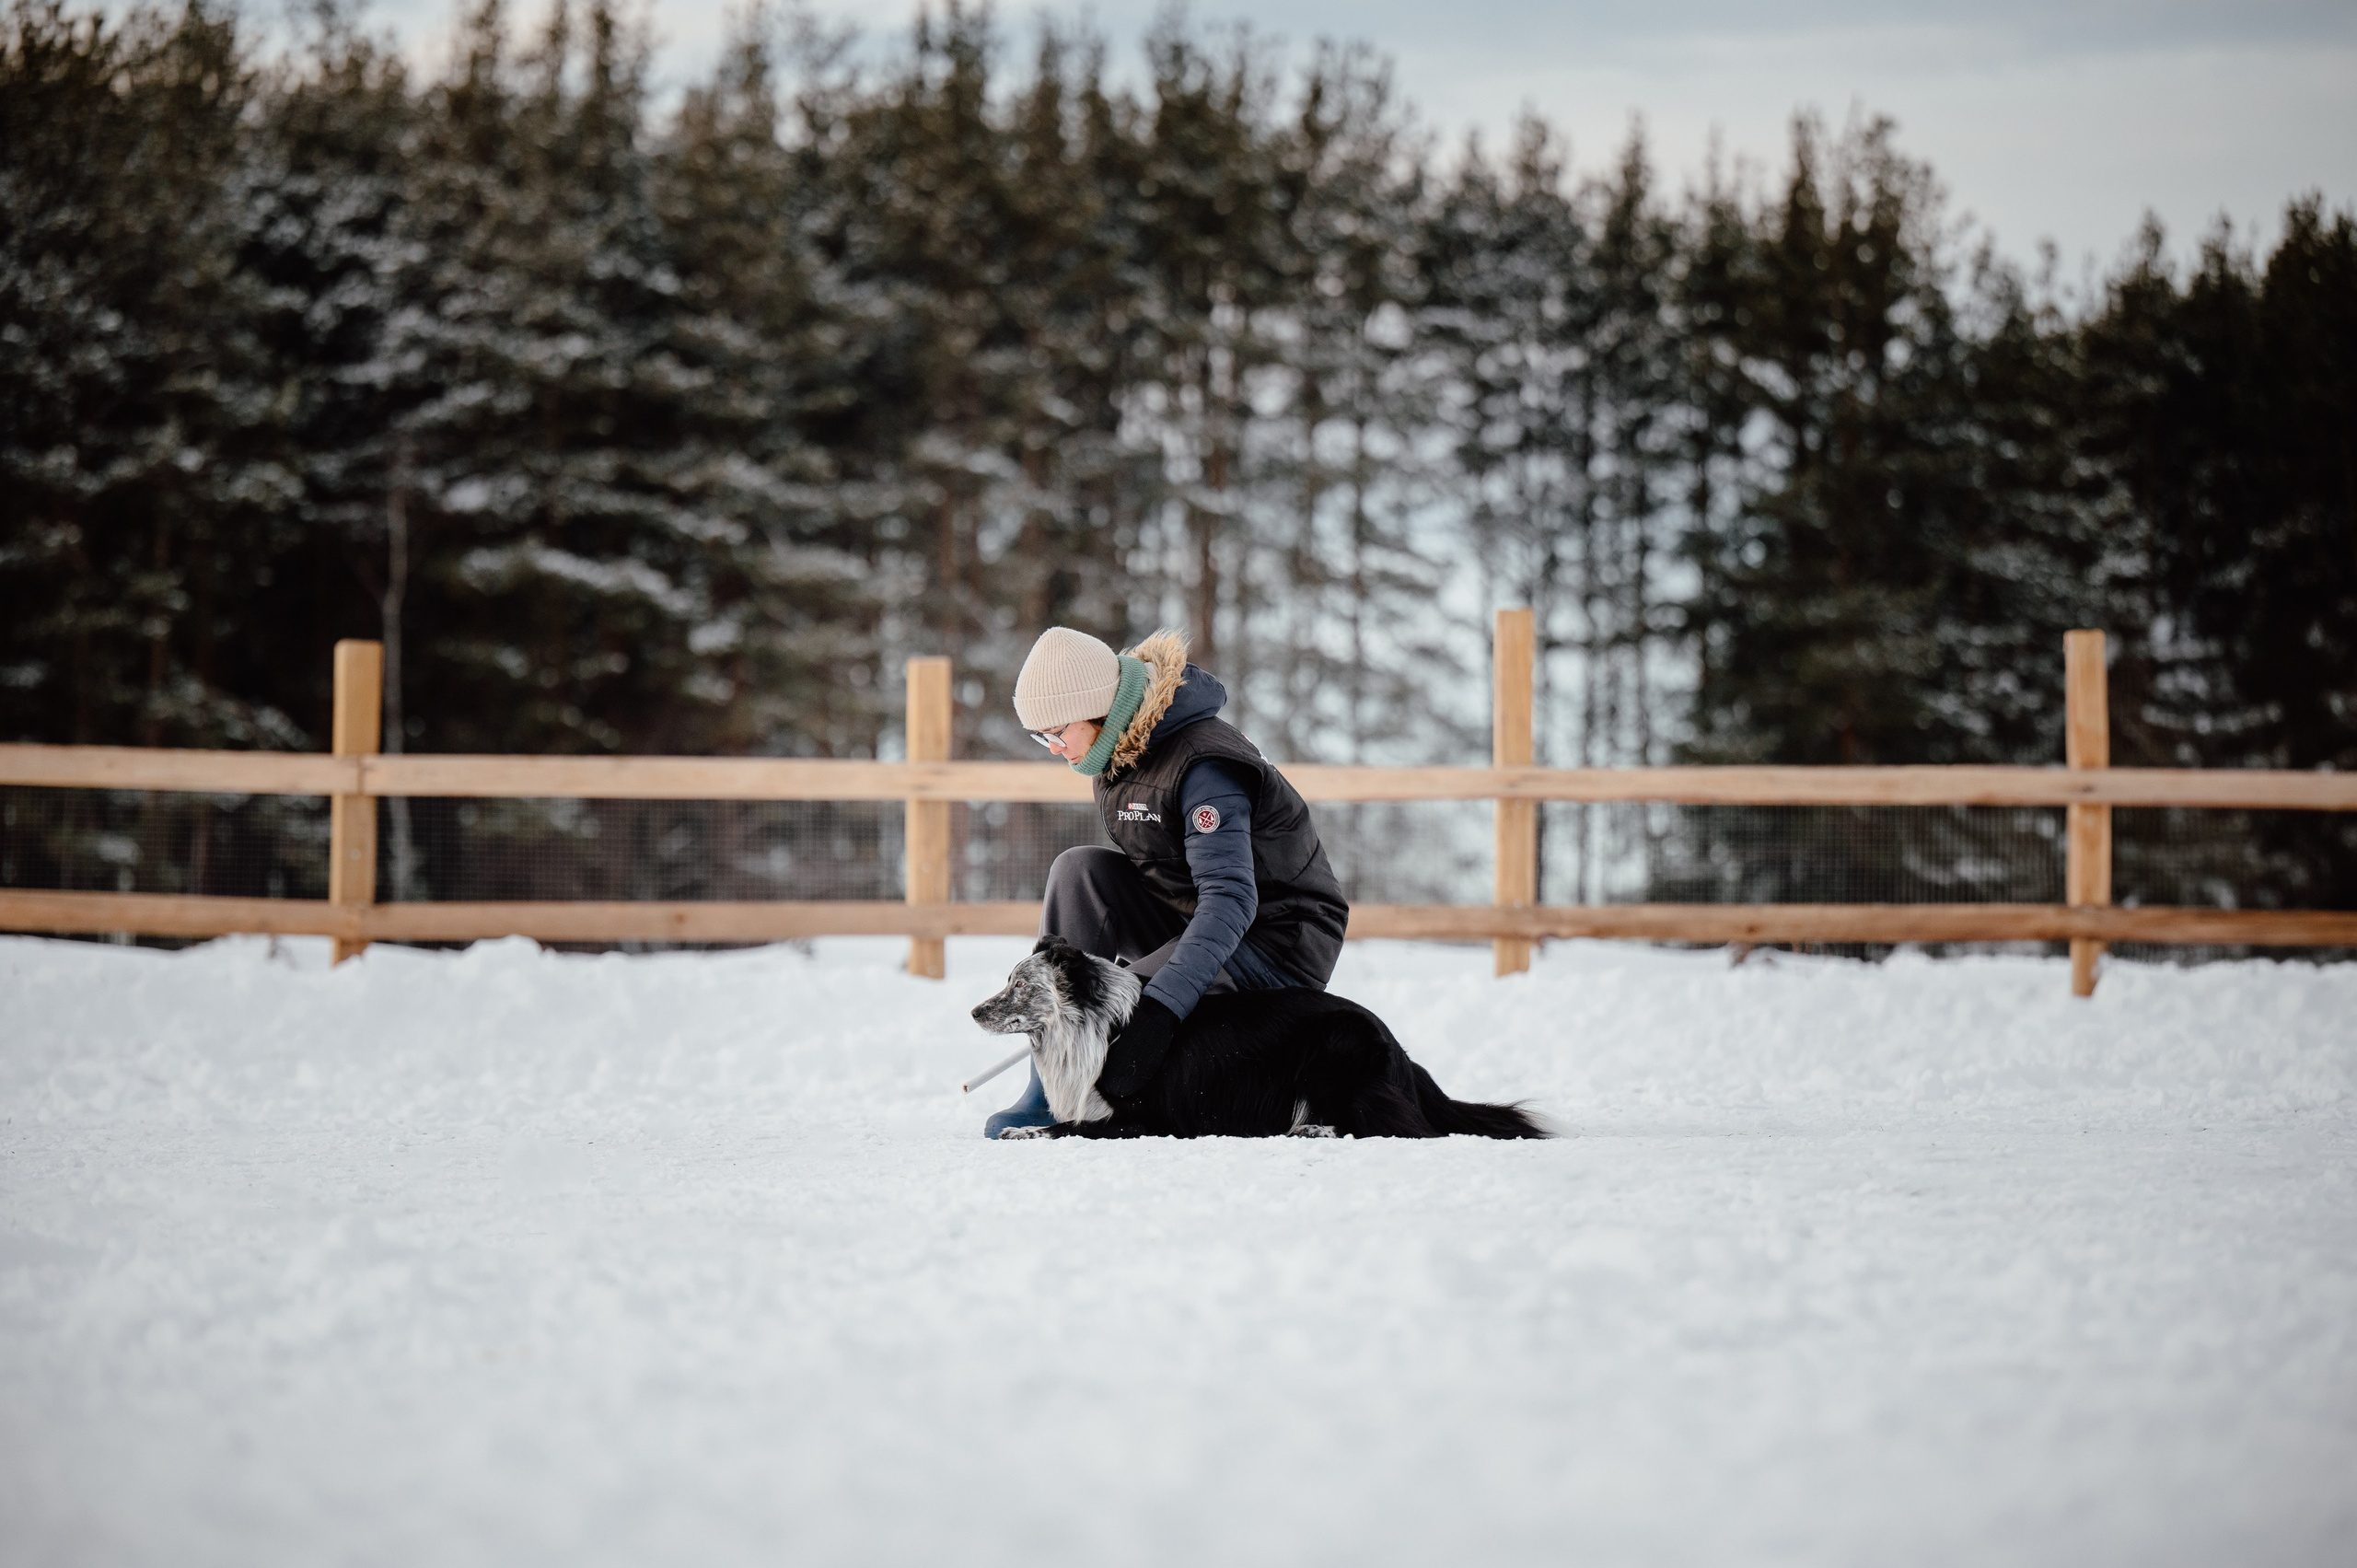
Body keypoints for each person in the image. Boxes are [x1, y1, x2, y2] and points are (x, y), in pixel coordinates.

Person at [984, 626, 1351, 1138]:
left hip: (1273, 940)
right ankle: (1052, 1090)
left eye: (1055, 731)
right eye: (1039, 736)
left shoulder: (1205, 763)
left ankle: (1097, 1092)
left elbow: (1230, 899)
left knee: (1124, 1006)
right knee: (1078, 871)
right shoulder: (1119, 749)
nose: (1052, 747)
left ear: (1095, 706)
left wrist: (1157, 1008)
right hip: (1193, 918)